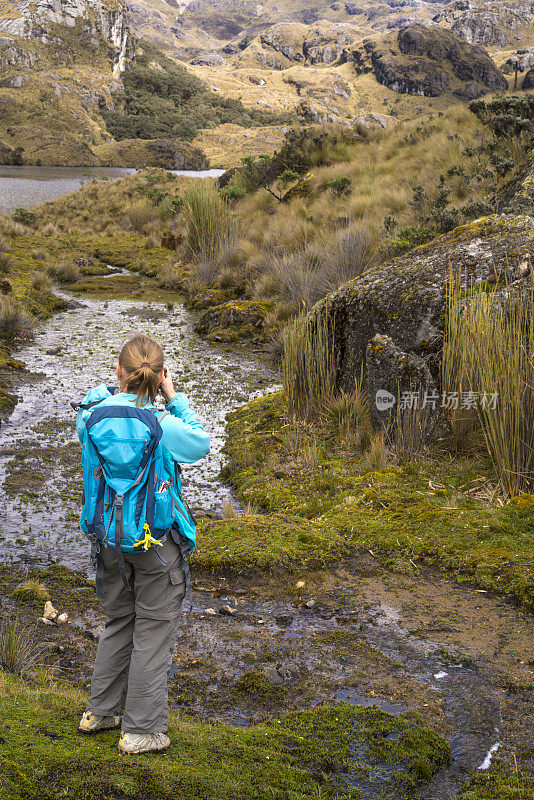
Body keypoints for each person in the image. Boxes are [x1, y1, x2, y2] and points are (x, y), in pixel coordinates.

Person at [76, 334, 210, 755]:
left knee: (120, 621)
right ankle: (141, 731)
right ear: (158, 377)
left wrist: (110, 390)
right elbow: (201, 443)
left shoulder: (91, 418)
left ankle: (100, 712)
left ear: (120, 372)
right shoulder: (162, 423)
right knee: (153, 629)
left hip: (110, 540)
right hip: (156, 543)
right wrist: (175, 398)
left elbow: (93, 409)